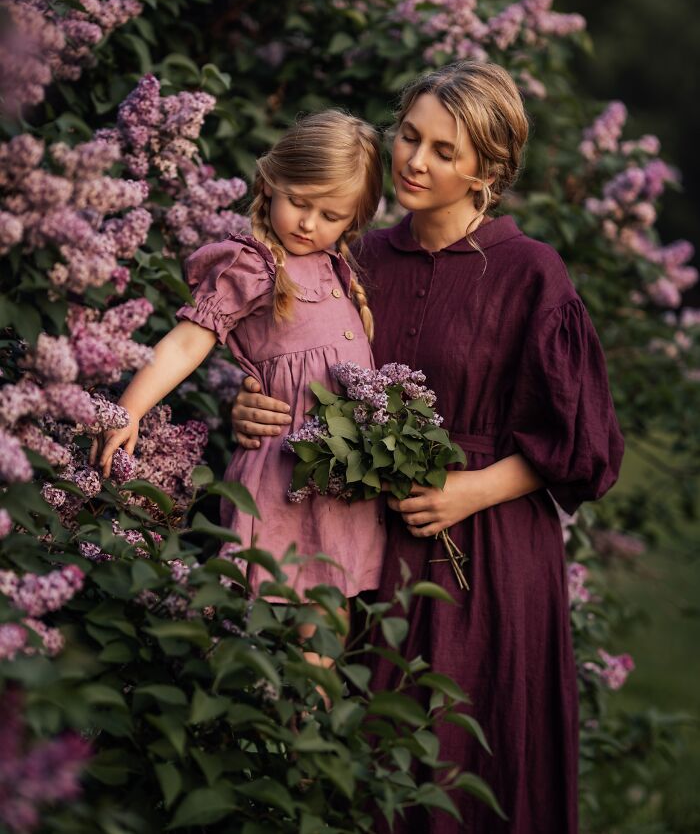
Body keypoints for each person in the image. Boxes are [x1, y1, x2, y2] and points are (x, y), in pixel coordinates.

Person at [231, 62, 624, 833]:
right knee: (356, 763)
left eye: (445, 151)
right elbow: (295, 365)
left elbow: (584, 442)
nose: (414, 161)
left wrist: (470, 489)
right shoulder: (355, 257)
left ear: (488, 169)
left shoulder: (530, 272)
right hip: (361, 546)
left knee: (463, 764)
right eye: (410, 136)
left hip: (490, 558)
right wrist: (254, 405)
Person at [91, 109, 387, 605]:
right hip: (284, 474)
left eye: (331, 216)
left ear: (354, 219)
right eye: (298, 202)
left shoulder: (337, 269)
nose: (309, 223)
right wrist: (131, 409)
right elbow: (187, 342)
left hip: (340, 480)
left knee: (331, 611)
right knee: (270, 605)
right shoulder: (253, 266)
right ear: (270, 184)